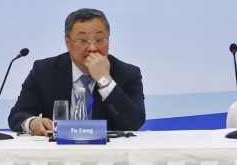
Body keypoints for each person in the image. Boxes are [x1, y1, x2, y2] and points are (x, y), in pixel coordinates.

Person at [8, 8, 145, 135]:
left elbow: (134, 123)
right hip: (57, 150)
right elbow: (18, 114)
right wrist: (33, 123)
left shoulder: (127, 74)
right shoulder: (45, 71)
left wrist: (105, 81)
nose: (92, 48)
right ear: (67, 42)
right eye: (83, 41)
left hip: (107, 150)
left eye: (99, 40)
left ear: (108, 39)